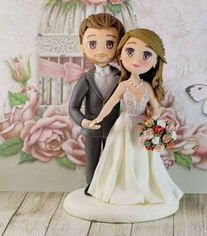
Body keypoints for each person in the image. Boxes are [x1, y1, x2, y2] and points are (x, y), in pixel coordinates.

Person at [87, 28, 183, 204]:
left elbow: (155, 106)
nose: (137, 59)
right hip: (124, 124)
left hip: (142, 127)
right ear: (121, 55)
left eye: (146, 54)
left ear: (155, 62)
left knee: (141, 157)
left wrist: (155, 122)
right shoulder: (123, 85)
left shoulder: (147, 87)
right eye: (130, 51)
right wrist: (98, 118)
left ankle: (141, 186)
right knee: (120, 156)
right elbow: (110, 104)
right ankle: (121, 187)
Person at [69, 13, 125, 195]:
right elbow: (73, 107)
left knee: (114, 159)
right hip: (92, 128)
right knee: (92, 160)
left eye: (109, 44)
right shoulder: (85, 78)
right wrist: (84, 122)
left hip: (115, 127)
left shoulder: (122, 77)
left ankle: (112, 186)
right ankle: (92, 186)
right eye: (93, 44)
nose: (101, 50)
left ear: (120, 45)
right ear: (82, 47)